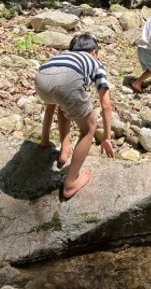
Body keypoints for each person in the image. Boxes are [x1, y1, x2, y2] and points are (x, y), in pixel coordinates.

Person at [35, 33, 115, 199]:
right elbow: (106, 105)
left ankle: (64, 148)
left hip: (41, 79)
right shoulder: (95, 62)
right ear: (94, 52)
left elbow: (50, 108)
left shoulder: (62, 57)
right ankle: (70, 184)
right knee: (88, 129)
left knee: (62, 103)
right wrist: (106, 137)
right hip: (69, 83)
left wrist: (44, 140)